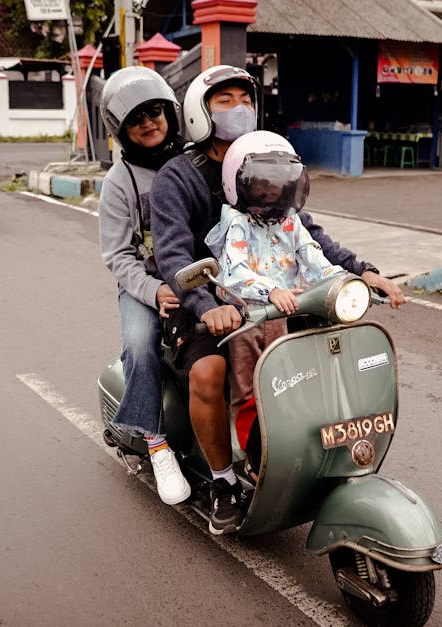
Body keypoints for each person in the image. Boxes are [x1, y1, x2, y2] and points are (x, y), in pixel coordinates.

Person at [149, 65, 406, 535]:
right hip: (202, 300)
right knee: (210, 371)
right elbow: (172, 255)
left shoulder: (270, 162)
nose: (239, 109)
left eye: (245, 99)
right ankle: (225, 481)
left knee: (327, 346)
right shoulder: (177, 177)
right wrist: (208, 306)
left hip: (273, 300)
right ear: (200, 112)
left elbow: (309, 237)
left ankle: (307, 449)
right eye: (224, 100)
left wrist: (362, 272)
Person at [205, 131, 344, 474]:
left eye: (279, 184)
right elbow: (234, 270)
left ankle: (285, 446)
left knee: (286, 385)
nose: (271, 192)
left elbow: (312, 254)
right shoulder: (237, 223)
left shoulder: (290, 222)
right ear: (238, 184)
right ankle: (252, 457)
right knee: (248, 389)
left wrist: (343, 280)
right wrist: (270, 291)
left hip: (282, 316)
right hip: (247, 318)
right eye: (261, 185)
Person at [96, 66, 191, 505]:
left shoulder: (194, 161)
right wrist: (153, 291)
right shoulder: (118, 183)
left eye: (154, 111)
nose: (148, 123)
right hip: (146, 283)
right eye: (135, 118)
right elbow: (118, 256)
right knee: (139, 342)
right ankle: (156, 442)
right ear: (121, 129)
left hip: (198, 274)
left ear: (170, 112)